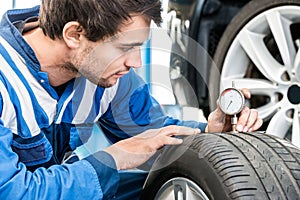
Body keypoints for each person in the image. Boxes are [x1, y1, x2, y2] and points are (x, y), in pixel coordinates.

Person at [0, 0, 263, 199]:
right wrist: (115, 157)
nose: (135, 63)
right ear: (74, 35)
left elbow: (152, 137)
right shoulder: (6, 82)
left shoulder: (108, 76)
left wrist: (208, 132)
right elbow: (14, 192)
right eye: (125, 48)